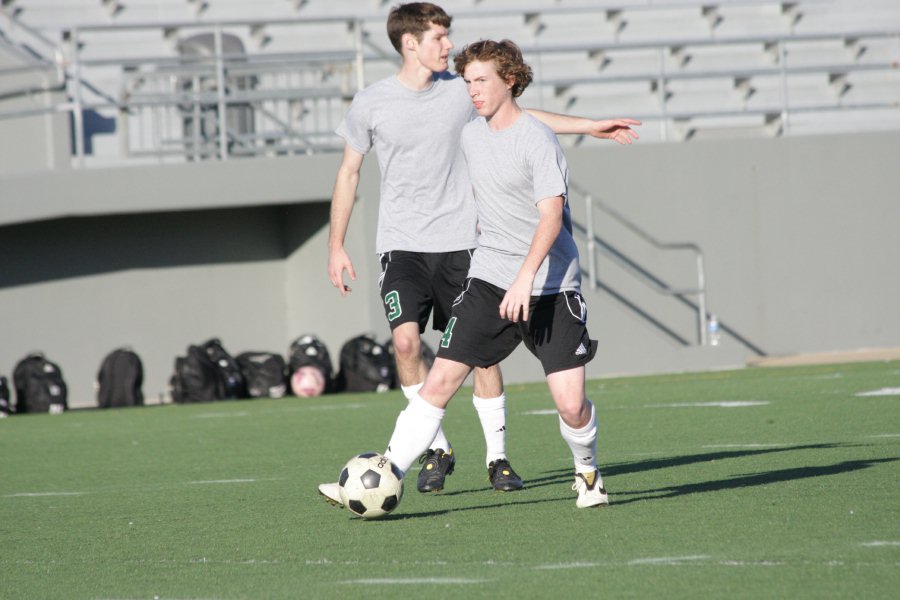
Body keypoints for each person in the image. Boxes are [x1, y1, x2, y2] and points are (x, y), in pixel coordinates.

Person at [321, 3, 637, 503]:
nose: (467, 83)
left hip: (540, 280)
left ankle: (573, 468)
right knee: (434, 368)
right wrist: (335, 244)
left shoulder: (518, 130)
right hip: (468, 267)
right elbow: (350, 171)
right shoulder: (439, 117)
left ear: (505, 80)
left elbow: (530, 146)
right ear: (410, 42)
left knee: (570, 403)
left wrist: (587, 125)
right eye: (440, 40)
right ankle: (389, 469)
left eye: (479, 80)